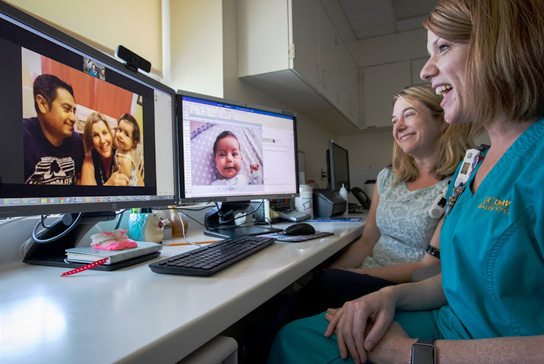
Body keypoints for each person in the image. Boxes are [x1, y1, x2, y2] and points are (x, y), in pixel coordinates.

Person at [268, 0, 544, 363]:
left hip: (479, 346)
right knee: (294, 336)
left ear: (498, 47)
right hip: (448, 320)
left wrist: (411, 353)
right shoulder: (477, 167)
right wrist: (390, 296)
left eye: (443, 47)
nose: (427, 70)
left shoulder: (530, 163)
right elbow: (457, 282)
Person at [23, 74, 84, 185]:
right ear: (42, 104)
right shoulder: (21, 136)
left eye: (73, 111)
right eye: (66, 109)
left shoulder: (76, 141)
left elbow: (79, 179)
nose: (73, 119)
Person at [80, 112, 129, 186]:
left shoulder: (122, 153)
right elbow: (88, 196)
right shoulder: (89, 160)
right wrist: (109, 185)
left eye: (104, 133)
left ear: (110, 133)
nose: (102, 140)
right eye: (96, 135)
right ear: (91, 140)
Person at [115, 113, 144, 186]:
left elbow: (124, 184)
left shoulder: (125, 161)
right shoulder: (120, 148)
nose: (120, 135)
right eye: (120, 130)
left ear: (134, 143)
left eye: (126, 134)